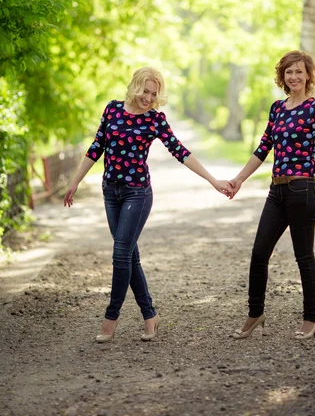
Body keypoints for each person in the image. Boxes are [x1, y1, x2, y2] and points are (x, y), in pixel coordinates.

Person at [64, 67, 232, 343]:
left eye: (154, 94)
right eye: (145, 91)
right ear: (135, 86)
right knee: (129, 256)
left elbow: (181, 152)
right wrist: (75, 182)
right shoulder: (112, 110)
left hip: (137, 194)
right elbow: (96, 147)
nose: (149, 97)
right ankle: (150, 315)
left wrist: (213, 180)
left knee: (120, 255)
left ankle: (111, 318)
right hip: (110, 192)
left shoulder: (155, 119)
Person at [229, 50, 315, 341]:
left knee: (304, 256)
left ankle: (310, 319)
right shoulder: (277, 108)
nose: (294, 77)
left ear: (308, 75)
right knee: (259, 252)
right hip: (276, 190)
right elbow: (263, 149)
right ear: (282, 76)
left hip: (302, 189)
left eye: (299, 71)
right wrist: (238, 179)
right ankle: (255, 313)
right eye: (289, 72)